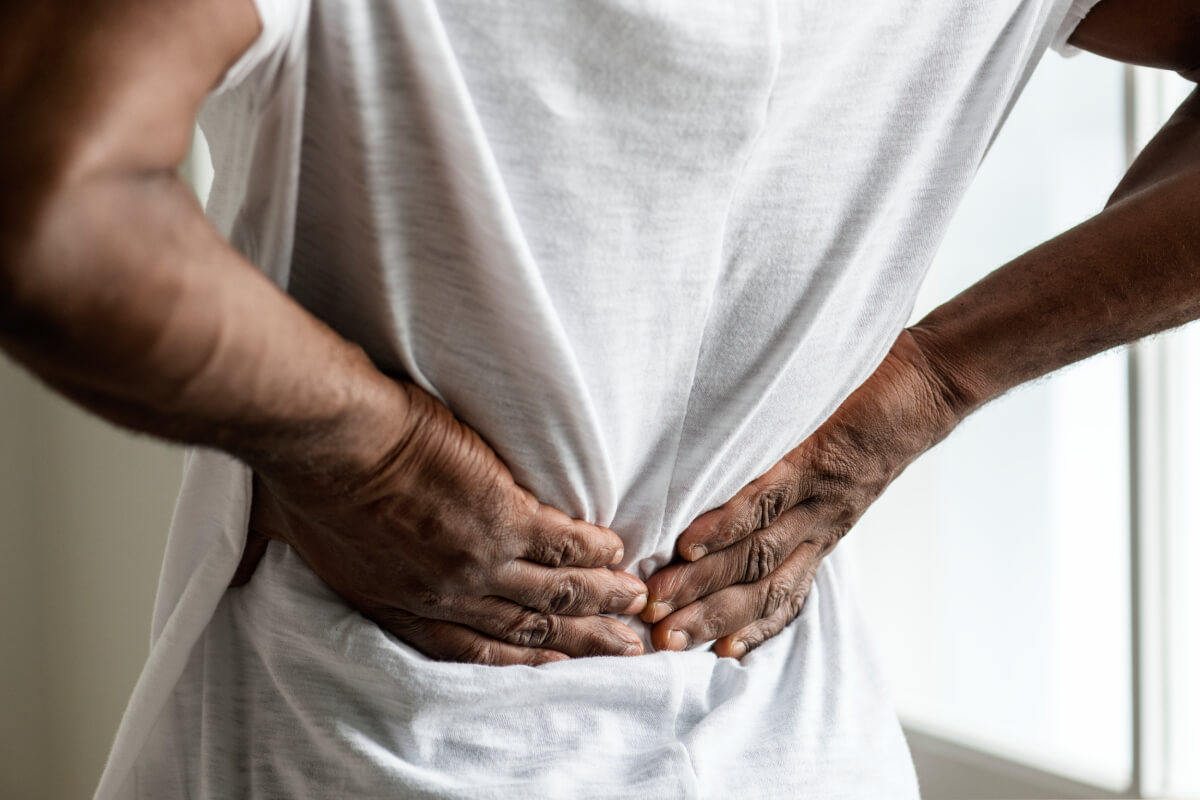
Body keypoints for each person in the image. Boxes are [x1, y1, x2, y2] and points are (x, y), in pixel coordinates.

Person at [2, 0, 1198, 796]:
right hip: (791, 736)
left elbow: (51, 201)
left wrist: (369, 455)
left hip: (362, 738)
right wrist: (935, 380)